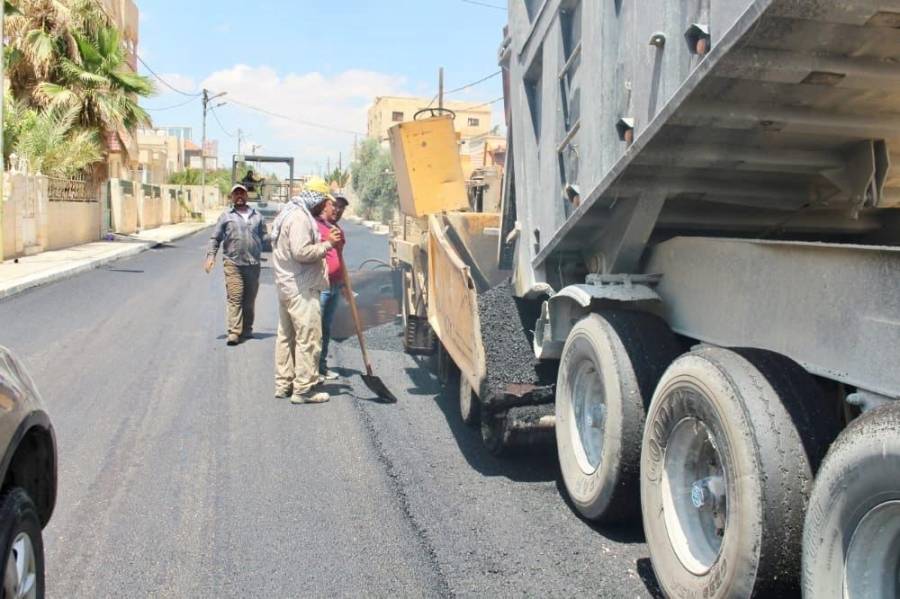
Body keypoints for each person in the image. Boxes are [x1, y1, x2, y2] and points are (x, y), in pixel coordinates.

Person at [272, 185, 342, 404]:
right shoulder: (300, 218)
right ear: (316, 199)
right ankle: (303, 389)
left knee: (287, 337)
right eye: (323, 202)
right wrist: (328, 245)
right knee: (309, 338)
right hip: (301, 287)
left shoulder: (289, 213)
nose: (324, 207)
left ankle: (284, 383)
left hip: (287, 285)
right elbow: (301, 252)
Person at [205, 184, 267, 346]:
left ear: (247, 196)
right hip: (233, 263)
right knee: (235, 297)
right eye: (236, 193)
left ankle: (247, 329)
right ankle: (234, 331)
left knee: (249, 300)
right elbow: (215, 238)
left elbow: (265, 238)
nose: (239, 196)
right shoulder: (226, 216)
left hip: (253, 264)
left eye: (242, 193)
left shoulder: (258, 216)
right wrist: (211, 256)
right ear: (232, 197)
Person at [317, 195, 349, 380]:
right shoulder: (315, 225)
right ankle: (310, 369)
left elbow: (340, 258)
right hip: (321, 285)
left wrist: (343, 283)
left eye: (342, 208)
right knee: (315, 328)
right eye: (335, 206)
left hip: (335, 285)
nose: (338, 210)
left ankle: (321, 366)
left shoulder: (339, 230)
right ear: (326, 206)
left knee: (326, 328)